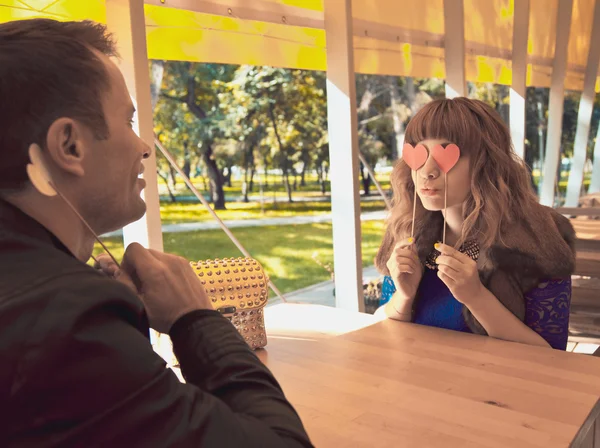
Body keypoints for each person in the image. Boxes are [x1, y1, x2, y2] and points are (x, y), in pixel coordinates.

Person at [0, 19, 312, 447]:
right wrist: (195, 320)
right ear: (69, 146)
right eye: (128, 121)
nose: (144, 146)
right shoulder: (65, 325)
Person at [374, 98, 575, 350]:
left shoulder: (535, 242)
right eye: (419, 155)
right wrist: (403, 296)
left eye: (445, 155)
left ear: (486, 164)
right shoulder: (409, 232)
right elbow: (381, 331)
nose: (427, 171)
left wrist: (476, 297)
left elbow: (555, 355)